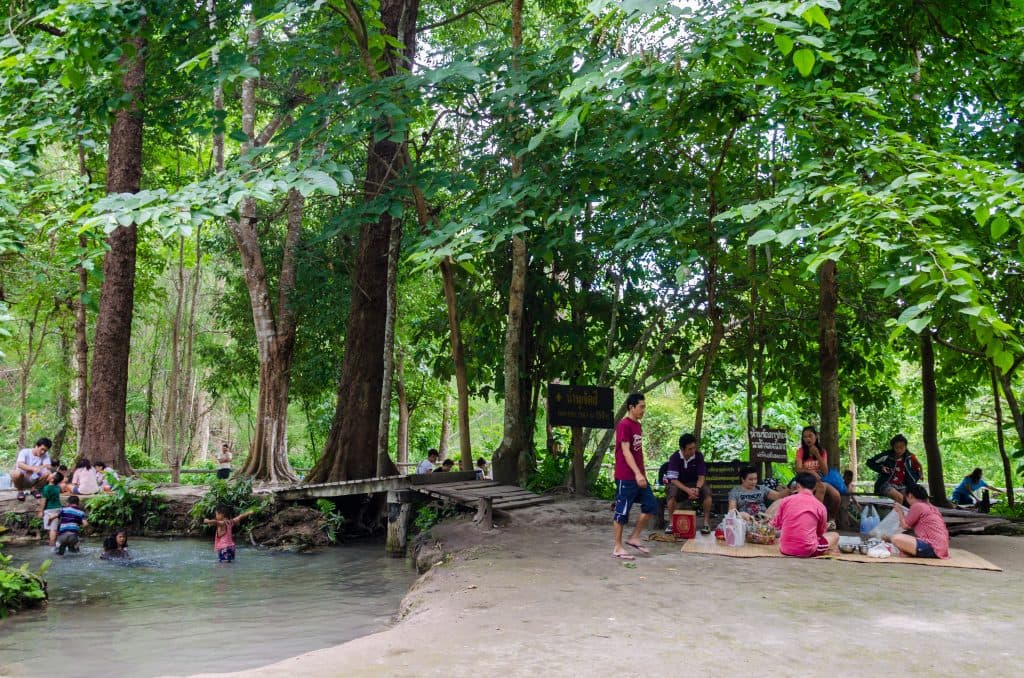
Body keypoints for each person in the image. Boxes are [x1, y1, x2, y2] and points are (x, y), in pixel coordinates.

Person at [611, 393, 657, 560]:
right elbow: (625, 450)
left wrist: (641, 474)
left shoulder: (638, 425)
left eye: (644, 406)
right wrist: (637, 473)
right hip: (626, 476)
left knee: (651, 505)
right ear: (631, 407)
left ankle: (634, 537)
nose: (643, 410)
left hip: (639, 475)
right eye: (641, 407)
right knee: (622, 512)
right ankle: (617, 547)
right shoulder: (624, 425)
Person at [772, 471, 839, 557]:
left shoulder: (786, 500)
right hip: (806, 550)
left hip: (785, 549)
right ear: (814, 487)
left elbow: (776, 524)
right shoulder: (820, 506)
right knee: (835, 535)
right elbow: (820, 533)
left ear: (797, 486)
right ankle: (825, 551)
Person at [663, 433, 713, 535]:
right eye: (690, 449)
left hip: (695, 484)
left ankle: (706, 523)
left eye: (694, 448)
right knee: (671, 492)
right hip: (679, 484)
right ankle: (671, 523)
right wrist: (687, 490)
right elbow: (673, 479)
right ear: (682, 448)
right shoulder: (674, 457)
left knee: (707, 493)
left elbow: (701, 477)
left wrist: (697, 489)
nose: (693, 451)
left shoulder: (698, 456)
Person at [887, 484, 949, 559]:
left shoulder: (917, 506)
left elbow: (904, 526)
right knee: (904, 539)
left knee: (896, 538)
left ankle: (911, 552)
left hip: (933, 547)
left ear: (910, 495)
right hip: (942, 547)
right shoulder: (932, 507)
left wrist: (900, 512)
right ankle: (910, 552)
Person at [794, 426, 841, 521]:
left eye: (810, 436)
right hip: (806, 479)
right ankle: (813, 519)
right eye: (805, 437)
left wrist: (817, 454)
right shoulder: (801, 451)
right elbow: (798, 469)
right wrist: (811, 472)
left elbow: (825, 471)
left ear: (816, 436)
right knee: (820, 487)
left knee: (836, 495)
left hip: (821, 479)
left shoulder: (822, 452)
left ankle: (831, 520)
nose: (807, 439)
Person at [866, 434, 923, 505]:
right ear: (893, 447)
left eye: (902, 447)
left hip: (903, 485)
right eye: (896, 447)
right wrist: (881, 468)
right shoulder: (887, 455)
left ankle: (905, 515)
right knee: (899, 498)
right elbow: (869, 462)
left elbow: (917, 468)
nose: (899, 450)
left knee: (911, 500)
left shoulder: (909, 457)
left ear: (905, 447)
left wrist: (917, 477)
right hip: (886, 484)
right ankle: (900, 515)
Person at [37, 472, 64, 547]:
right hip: (58, 508)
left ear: (51, 479)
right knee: (54, 527)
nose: (48, 474)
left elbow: (43, 500)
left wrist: (41, 511)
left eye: (51, 474)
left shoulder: (46, 488)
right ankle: (55, 543)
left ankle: (52, 546)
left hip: (50, 510)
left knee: (52, 529)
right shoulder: (57, 487)